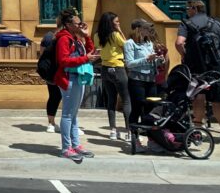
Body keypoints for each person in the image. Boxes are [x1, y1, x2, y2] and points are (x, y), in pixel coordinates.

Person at [175, 0, 220, 143]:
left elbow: (178, 43)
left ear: (194, 8)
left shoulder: (186, 24)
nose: (187, 11)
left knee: (198, 98)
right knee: (218, 100)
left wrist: (185, 56)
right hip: (216, 69)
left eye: (188, 8)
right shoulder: (218, 24)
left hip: (196, 68)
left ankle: (197, 129)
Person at [54, 9, 98, 163]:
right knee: (67, 114)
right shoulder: (64, 39)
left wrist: (86, 35)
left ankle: (75, 144)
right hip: (69, 78)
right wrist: (85, 59)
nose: (80, 25)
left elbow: (90, 51)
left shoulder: (75, 38)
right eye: (77, 23)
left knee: (73, 114)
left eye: (81, 23)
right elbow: (63, 61)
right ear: (68, 24)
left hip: (77, 77)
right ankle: (66, 148)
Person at [123, 19, 162, 154]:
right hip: (137, 80)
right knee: (137, 108)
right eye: (146, 29)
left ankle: (152, 140)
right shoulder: (129, 43)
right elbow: (129, 64)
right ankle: (135, 139)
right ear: (138, 29)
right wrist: (146, 59)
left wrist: (158, 59)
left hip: (150, 79)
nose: (149, 32)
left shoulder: (149, 43)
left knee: (151, 110)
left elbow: (152, 61)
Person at [96, 12, 131, 141]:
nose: (118, 23)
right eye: (116, 22)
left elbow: (97, 48)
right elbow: (127, 46)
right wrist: (120, 31)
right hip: (118, 67)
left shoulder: (97, 35)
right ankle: (128, 131)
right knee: (126, 99)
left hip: (105, 69)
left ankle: (113, 130)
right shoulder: (115, 35)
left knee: (111, 99)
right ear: (111, 23)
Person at [40, 19, 62, 133]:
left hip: (49, 71)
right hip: (60, 71)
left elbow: (41, 54)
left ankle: (51, 122)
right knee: (60, 97)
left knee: (53, 96)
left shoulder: (48, 36)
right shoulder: (64, 37)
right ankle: (55, 123)